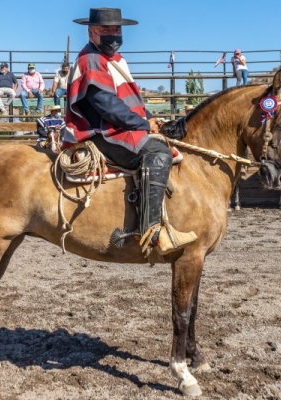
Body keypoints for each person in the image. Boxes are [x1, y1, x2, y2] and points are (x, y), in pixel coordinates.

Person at [64, 7, 197, 255]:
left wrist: (149, 119)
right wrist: (144, 125)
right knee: (157, 151)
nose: (113, 34)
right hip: (99, 132)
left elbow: (128, 101)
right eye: (106, 29)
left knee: (163, 141)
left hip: (116, 126)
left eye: (117, 29)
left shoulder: (115, 60)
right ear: (92, 32)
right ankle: (152, 230)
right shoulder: (91, 60)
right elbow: (107, 105)